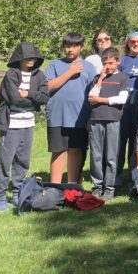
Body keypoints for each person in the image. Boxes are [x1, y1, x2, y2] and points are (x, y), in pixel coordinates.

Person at [0, 42, 49, 211]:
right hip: (10, 124)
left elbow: (45, 97)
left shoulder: (39, 75)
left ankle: (17, 193)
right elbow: (14, 99)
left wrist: (29, 94)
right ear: (19, 58)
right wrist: (33, 101)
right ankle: (0, 197)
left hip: (28, 124)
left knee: (22, 161)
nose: (31, 60)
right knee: (4, 161)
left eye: (34, 57)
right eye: (27, 57)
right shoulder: (11, 75)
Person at [45, 32, 97, 183]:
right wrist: (70, 72)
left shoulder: (89, 67)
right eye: (67, 46)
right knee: (58, 152)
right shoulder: (54, 64)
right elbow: (48, 87)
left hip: (79, 118)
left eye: (74, 46)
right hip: (57, 116)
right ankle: (54, 187)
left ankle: (72, 187)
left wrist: (90, 118)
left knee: (75, 151)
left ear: (81, 47)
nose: (70, 50)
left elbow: (93, 92)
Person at [87, 46, 130, 200]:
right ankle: (98, 186)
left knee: (111, 156)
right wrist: (100, 79)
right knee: (96, 155)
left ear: (118, 62)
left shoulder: (123, 78)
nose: (108, 66)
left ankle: (110, 188)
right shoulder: (97, 78)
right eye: (105, 63)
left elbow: (122, 99)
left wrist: (101, 100)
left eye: (111, 63)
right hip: (96, 119)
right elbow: (91, 97)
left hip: (114, 120)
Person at [116, 31, 138, 183]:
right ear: (128, 43)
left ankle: (133, 173)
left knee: (135, 141)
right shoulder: (122, 61)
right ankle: (116, 174)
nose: (136, 44)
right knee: (119, 141)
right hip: (122, 107)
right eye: (132, 41)